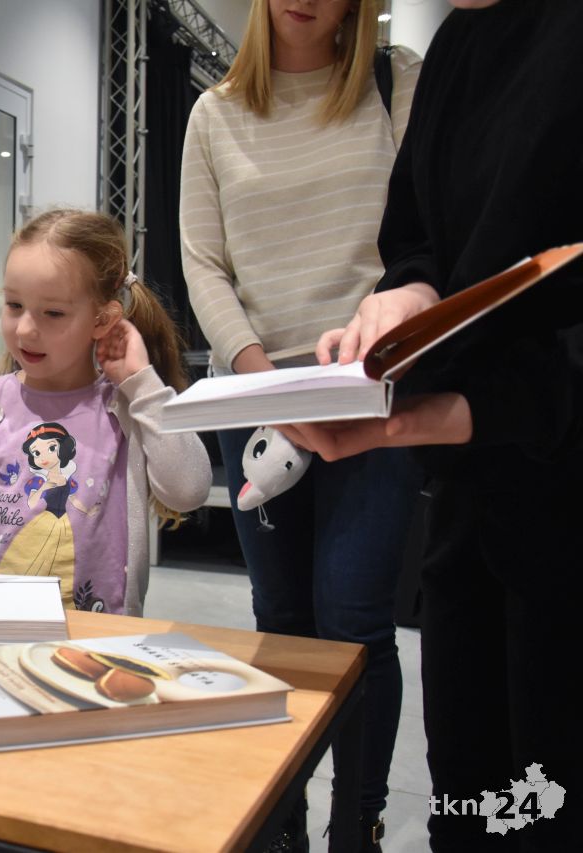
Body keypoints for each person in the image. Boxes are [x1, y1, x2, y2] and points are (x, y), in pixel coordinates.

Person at [304, 2, 583, 849]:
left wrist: (473, 409)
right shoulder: (459, 41)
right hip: (473, 500)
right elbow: (422, 234)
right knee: (469, 796)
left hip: (562, 499)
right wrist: (409, 293)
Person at [178, 0, 422, 848]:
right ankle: (283, 823)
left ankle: (358, 823)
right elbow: (203, 264)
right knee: (280, 617)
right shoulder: (213, 114)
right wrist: (264, 384)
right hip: (256, 395)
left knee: (355, 619)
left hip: (371, 387)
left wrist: (364, 354)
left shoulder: (398, 81)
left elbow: (424, 240)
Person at [0, 209, 211, 616]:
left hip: (103, 634)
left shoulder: (127, 407)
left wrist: (143, 385)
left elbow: (189, 490)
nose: (25, 329)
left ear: (103, 320)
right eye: (14, 305)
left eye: (53, 313)